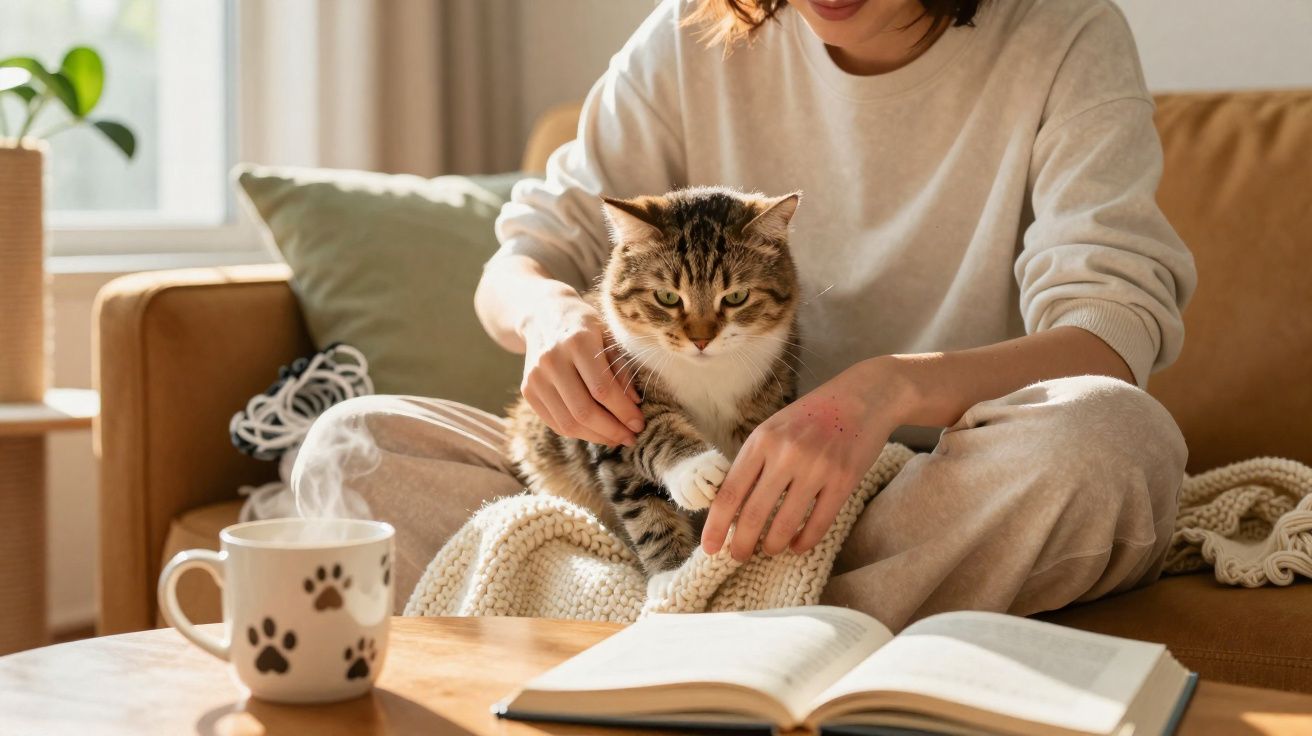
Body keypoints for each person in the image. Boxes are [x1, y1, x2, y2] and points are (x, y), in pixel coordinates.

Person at [295, 0, 1195, 629]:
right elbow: (523, 255)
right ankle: (772, 616)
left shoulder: (1068, 36)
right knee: (353, 448)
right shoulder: (693, 32)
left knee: (1115, 444)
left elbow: (1111, 334)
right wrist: (547, 318)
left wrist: (880, 394)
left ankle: (663, 618)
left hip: (917, 500)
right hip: (672, 493)